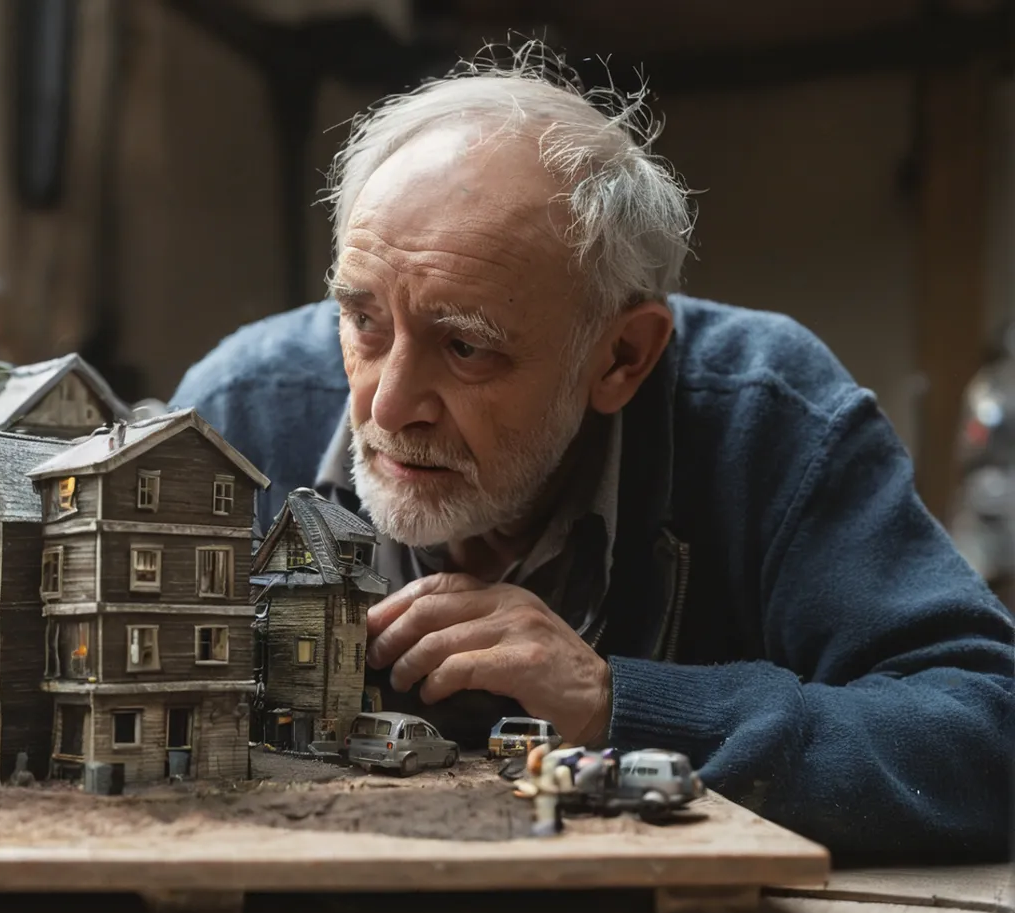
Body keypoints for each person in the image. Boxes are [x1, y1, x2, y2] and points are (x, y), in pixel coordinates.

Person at [169, 46, 1014, 862]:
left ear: (621, 359)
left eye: (466, 347)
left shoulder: (767, 418)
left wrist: (622, 704)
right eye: (363, 321)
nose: (388, 406)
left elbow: (986, 731)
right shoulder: (238, 415)